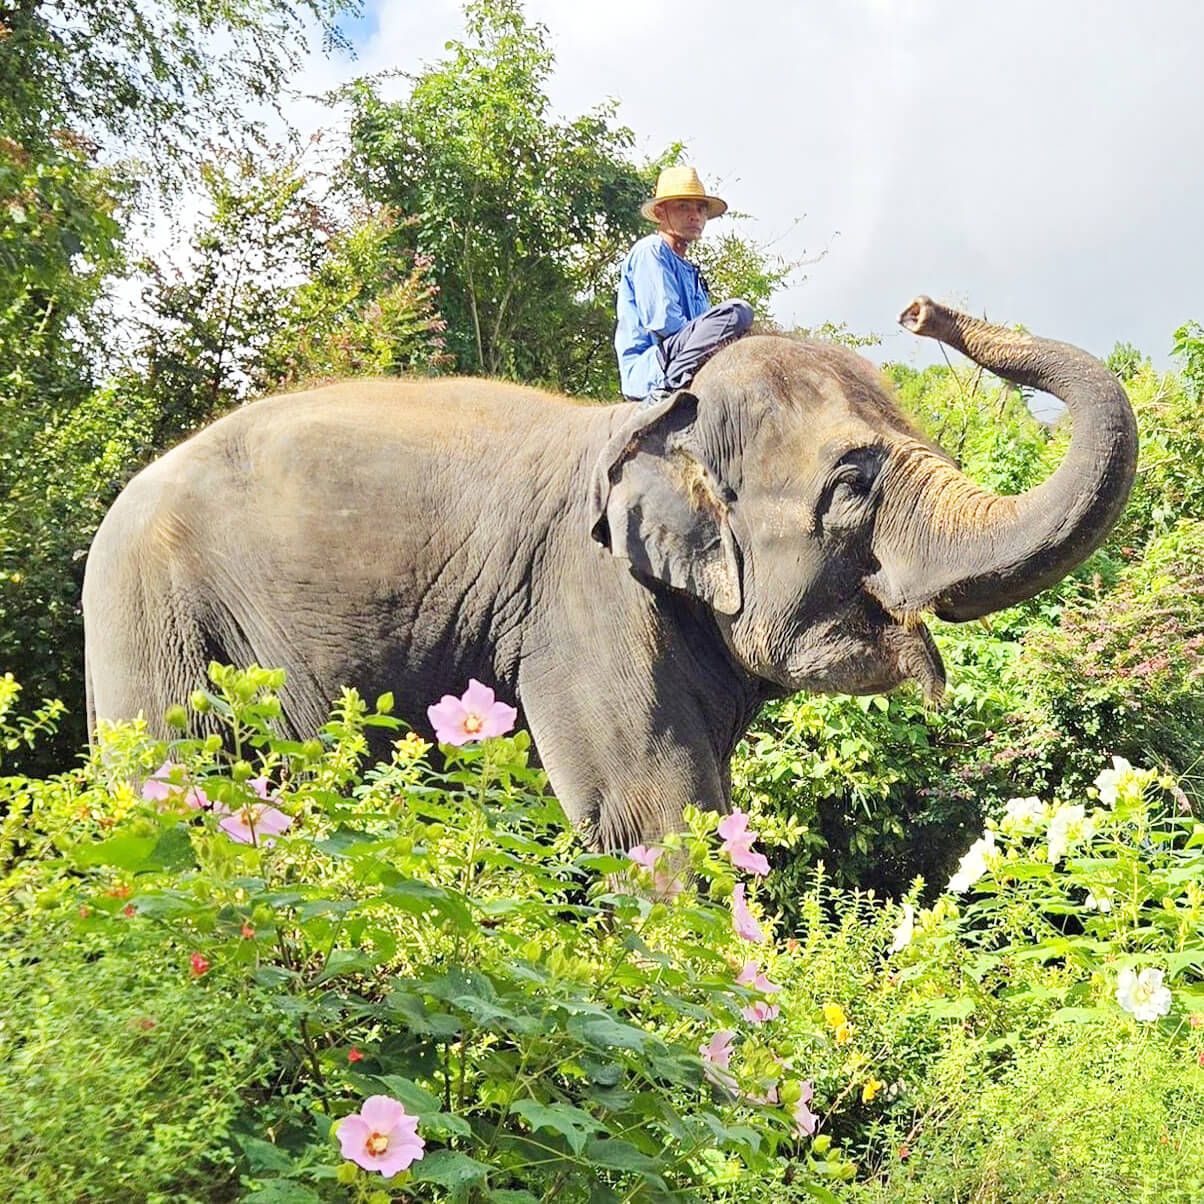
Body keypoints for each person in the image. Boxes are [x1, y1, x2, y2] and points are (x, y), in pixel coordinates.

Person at [615, 165, 753, 403]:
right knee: (737, 312)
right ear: (660, 212)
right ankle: (668, 389)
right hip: (653, 366)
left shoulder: (691, 272)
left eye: (700, 209)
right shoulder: (651, 251)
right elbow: (664, 322)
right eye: (683, 207)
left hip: (681, 352)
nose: (695, 216)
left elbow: (701, 329)